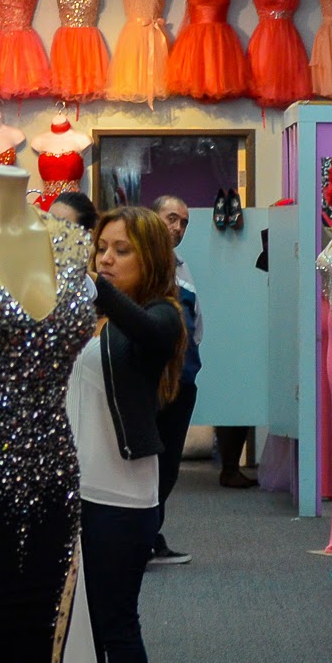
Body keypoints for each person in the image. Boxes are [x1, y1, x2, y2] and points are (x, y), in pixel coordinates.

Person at [69, 205, 186, 663]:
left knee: (115, 620)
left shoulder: (164, 315)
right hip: (73, 488)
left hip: (121, 495)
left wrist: (89, 283)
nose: (107, 258)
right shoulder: (85, 315)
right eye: (102, 248)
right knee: (77, 625)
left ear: (151, 258)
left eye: (122, 250)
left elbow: (147, 331)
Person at [149, 196, 202, 563]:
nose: (178, 228)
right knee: (144, 464)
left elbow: (197, 327)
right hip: (149, 383)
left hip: (183, 382)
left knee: (167, 468)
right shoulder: (138, 265)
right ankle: (141, 539)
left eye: (183, 222)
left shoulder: (183, 267)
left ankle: (152, 536)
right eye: (171, 218)